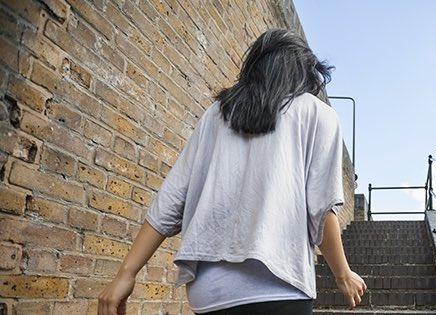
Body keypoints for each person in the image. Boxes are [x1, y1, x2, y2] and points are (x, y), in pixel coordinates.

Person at [97, 29, 366, 315]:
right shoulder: (318, 114)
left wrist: (126, 273)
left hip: (210, 295)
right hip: (280, 291)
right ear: (304, 72)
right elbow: (321, 209)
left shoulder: (218, 113)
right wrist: (342, 274)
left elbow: (171, 200)